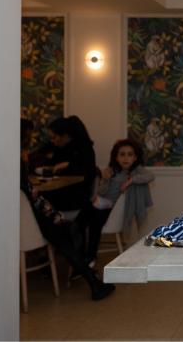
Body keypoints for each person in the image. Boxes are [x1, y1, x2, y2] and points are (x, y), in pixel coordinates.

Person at [20, 119, 115, 301]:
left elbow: (31, 193)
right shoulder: (21, 160)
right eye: (28, 136)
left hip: (33, 213)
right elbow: (32, 194)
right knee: (64, 234)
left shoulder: (17, 160)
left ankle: (88, 278)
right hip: (34, 215)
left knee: (65, 231)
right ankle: (92, 280)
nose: (30, 140)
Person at [75, 138, 152, 267]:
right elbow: (102, 192)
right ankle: (79, 254)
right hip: (101, 204)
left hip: (113, 211)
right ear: (116, 157)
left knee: (94, 223)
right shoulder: (112, 170)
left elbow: (150, 176)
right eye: (122, 154)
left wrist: (131, 180)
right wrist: (105, 179)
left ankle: (90, 256)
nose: (126, 158)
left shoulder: (136, 170)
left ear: (135, 158)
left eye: (130, 154)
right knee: (81, 220)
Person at [31, 115, 97, 211]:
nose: (52, 141)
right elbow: (43, 154)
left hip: (75, 195)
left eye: (54, 138)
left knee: (38, 202)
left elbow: (88, 174)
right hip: (59, 189)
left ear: (65, 136)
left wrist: (68, 165)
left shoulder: (84, 149)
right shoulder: (59, 147)